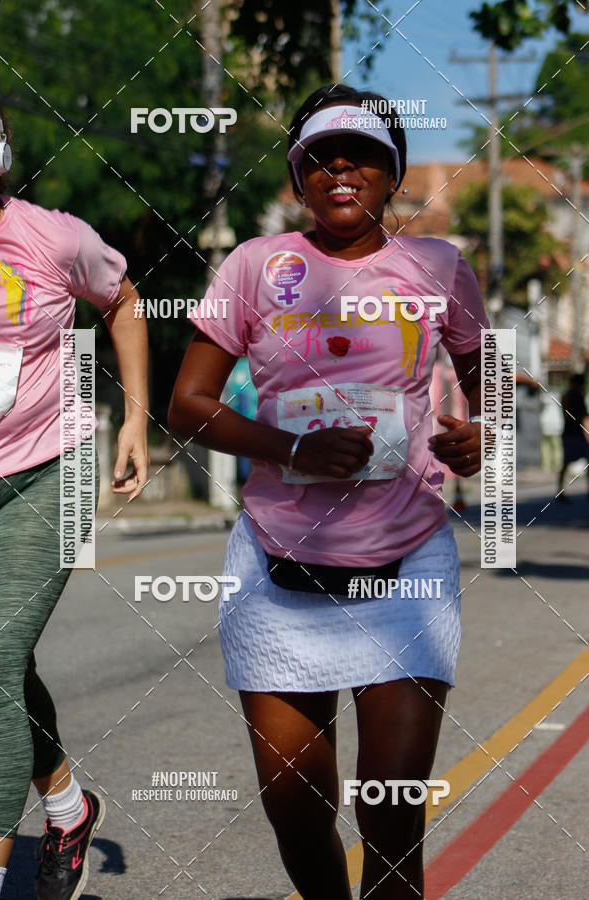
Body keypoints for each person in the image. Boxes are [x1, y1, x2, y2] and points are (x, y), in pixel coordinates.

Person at [169, 83, 489, 899]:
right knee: (297, 810)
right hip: (278, 569)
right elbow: (187, 406)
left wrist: (480, 437)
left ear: (394, 173)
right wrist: (291, 447)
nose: (340, 169)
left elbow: (490, 388)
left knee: (391, 812)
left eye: (363, 155)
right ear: (297, 175)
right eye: (320, 157)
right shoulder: (254, 266)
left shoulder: (439, 266)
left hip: (405, 564)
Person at [0, 96, 149, 899]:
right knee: (1, 664)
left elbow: (122, 301)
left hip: (49, 468)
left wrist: (136, 419)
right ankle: (68, 809)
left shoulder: (51, 237)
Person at [556, 372, 589, 501]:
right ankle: (560, 491)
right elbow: (567, 415)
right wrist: (579, 417)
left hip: (580, 435)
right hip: (570, 434)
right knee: (566, 464)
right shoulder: (567, 396)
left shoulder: (580, 396)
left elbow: (585, 417)